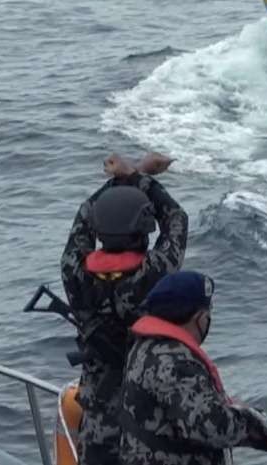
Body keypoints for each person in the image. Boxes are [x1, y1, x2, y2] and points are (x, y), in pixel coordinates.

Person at [61, 152, 189, 465]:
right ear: (145, 226)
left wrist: (125, 179)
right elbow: (175, 218)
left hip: (99, 430)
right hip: (150, 429)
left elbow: (85, 215)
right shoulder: (154, 274)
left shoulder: (74, 272)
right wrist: (136, 176)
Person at [118, 271, 267, 465]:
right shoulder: (177, 364)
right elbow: (213, 426)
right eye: (208, 312)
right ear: (197, 317)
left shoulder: (146, 346)